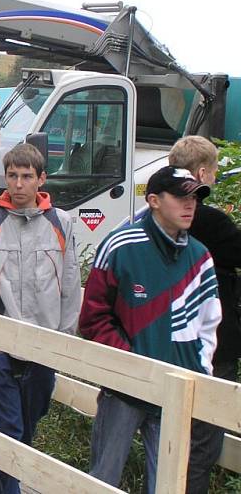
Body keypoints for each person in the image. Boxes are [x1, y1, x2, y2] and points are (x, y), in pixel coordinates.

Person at [80, 165, 221, 493]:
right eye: (181, 196)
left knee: (168, 485)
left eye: (195, 197)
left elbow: (208, 327)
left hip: (176, 393)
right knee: (104, 479)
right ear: (154, 200)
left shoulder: (201, 257)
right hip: (126, 388)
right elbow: (92, 318)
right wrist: (131, 363)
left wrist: (197, 379)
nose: (190, 204)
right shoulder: (120, 246)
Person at [0, 143, 80, 494]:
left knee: (26, 429)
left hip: (44, 344)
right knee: (9, 430)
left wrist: (62, 339)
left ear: (41, 179)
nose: (18, 184)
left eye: (26, 176)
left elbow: (72, 285)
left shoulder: (61, 223)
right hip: (0, 345)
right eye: (12, 176)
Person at [166, 136, 241, 493]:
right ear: (200, 172)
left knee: (168, 435)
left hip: (168, 339)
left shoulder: (154, 217)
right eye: (212, 172)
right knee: (203, 441)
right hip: (214, 345)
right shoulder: (210, 221)